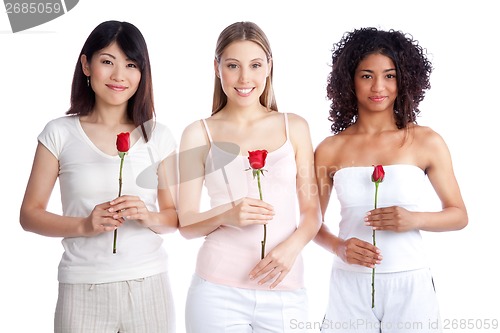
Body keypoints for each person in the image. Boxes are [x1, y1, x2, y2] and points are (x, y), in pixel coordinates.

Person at [20, 20, 178, 333]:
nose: (119, 75)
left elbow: (174, 218)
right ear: (86, 66)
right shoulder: (59, 133)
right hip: (82, 287)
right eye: (107, 61)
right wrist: (83, 225)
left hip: (148, 286)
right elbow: (29, 215)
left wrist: (147, 216)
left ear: (141, 73)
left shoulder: (157, 136)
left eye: (131, 64)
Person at [314, 27, 468, 332]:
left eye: (390, 75)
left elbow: (459, 215)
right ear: (350, 80)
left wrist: (413, 219)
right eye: (367, 75)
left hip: (411, 285)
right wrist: (338, 247)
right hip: (349, 284)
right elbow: (309, 222)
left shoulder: (426, 141)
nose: (378, 87)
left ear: (404, 80)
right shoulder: (330, 148)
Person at [177, 21, 321, 333]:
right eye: (233, 65)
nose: (245, 78)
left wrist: (292, 248)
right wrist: (228, 214)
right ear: (217, 68)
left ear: (269, 66)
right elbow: (186, 225)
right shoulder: (197, 133)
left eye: (255, 65)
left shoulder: (294, 127)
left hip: (285, 289)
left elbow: (312, 213)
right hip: (216, 292)